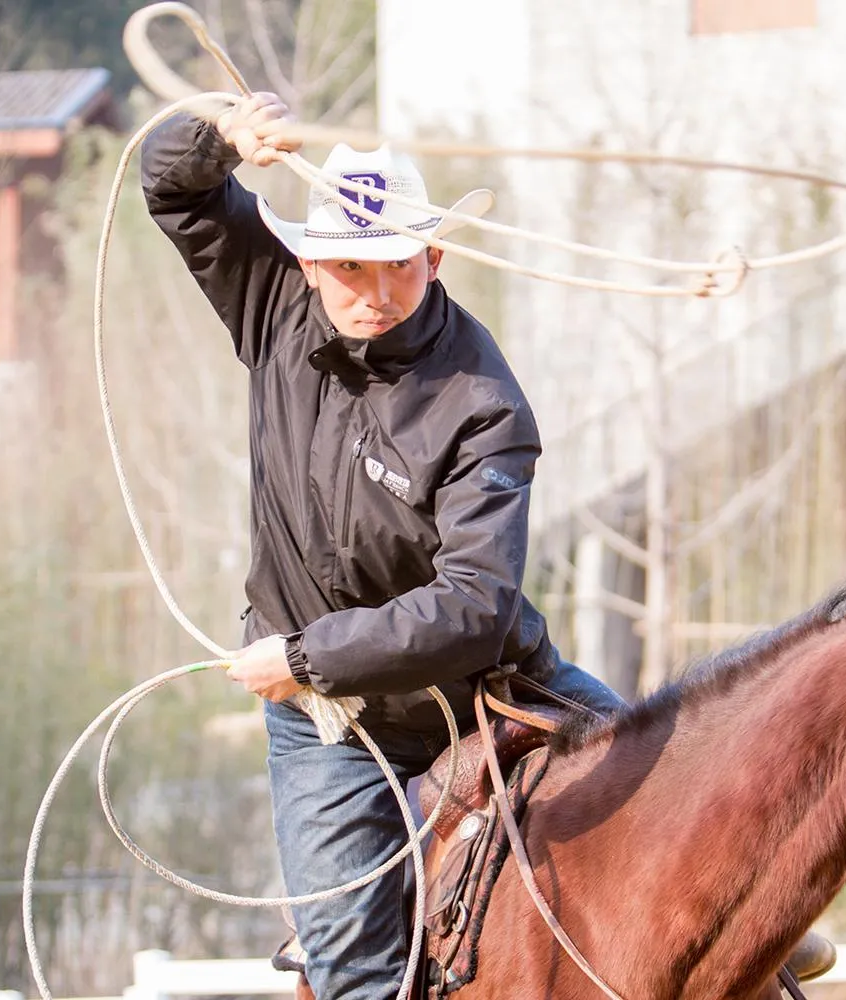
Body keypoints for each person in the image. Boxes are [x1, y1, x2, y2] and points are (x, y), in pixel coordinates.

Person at [141, 93, 626, 1000]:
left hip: (487, 687)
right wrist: (218, 141)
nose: (371, 293)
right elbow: (170, 188)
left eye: (397, 267)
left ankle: (759, 936)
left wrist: (302, 656)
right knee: (353, 970)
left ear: (434, 259)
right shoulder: (272, 303)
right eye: (346, 268)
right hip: (335, 726)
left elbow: (476, 607)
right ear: (309, 262)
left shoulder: (484, 405)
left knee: (677, 776)